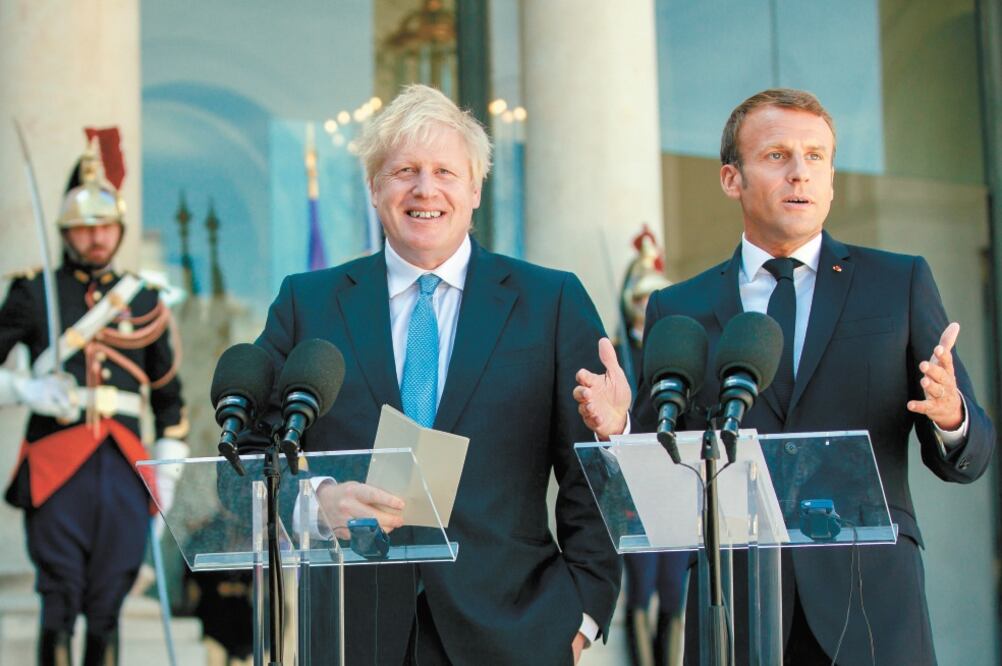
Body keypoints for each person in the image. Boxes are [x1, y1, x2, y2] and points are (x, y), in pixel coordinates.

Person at [575, 88, 995, 665]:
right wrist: (619, 427)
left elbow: (971, 456)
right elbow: (657, 481)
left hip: (871, 613)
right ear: (731, 178)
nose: (800, 173)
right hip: (735, 611)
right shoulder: (680, 308)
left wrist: (952, 416)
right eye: (777, 156)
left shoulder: (897, 284)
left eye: (816, 157)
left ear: (831, 178)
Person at [250, 84, 620, 665]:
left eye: (445, 171)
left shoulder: (550, 302)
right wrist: (317, 501)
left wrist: (583, 613)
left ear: (475, 189)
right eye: (404, 171)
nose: (426, 190)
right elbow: (249, 455)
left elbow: (590, 474)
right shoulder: (308, 304)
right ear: (375, 189)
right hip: (353, 630)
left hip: (517, 629)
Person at [0, 136, 188, 666]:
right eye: (85, 226)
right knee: (59, 599)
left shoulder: (143, 299)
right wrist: (24, 388)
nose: (97, 236)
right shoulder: (33, 293)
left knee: (109, 604)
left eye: (106, 225)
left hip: (126, 466)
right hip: (57, 465)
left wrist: (167, 477)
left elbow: (169, 400)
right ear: (66, 231)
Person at [616, 227, 687, 666]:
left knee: (675, 588)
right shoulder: (620, 349)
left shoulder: (677, 349)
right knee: (640, 588)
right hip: (634, 485)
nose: (646, 307)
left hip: (676, 480)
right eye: (640, 298)